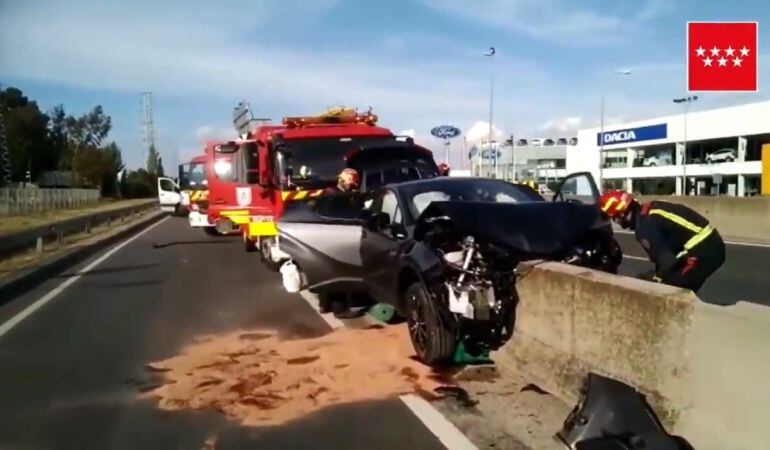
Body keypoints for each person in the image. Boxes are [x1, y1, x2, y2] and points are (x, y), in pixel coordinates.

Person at [599, 190, 725, 292]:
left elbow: (667, 261)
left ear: (621, 214)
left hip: (703, 250)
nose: (617, 222)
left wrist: (655, 283)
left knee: (671, 290)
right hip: (707, 243)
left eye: (615, 218)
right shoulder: (650, 209)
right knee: (670, 281)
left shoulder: (644, 226)